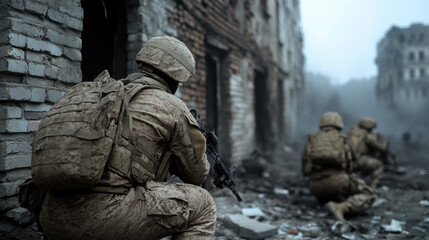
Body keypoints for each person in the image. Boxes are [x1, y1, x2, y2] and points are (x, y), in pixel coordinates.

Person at [38, 36, 217, 240]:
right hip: (101, 221)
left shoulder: (103, 93)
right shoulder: (172, 106)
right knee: (204, 205)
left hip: (50, 215)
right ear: (177, 76)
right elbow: (196, 175)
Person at [302, 112, 376, 221]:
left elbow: (305, 170)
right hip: (339, 183)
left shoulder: (312, 140)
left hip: (315, 187)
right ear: (339, 124)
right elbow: (353, 164)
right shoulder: (343, 139)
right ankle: (341, 208)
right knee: (369, 194)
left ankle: (327, 200)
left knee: (331, 191)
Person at [348, 117, 388, 189]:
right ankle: (372, 189)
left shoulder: (351, 132)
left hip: (348, 160)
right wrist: (381, 138)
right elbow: (382, 148)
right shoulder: (368, 135)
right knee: (378, 165)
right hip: (358, 160)